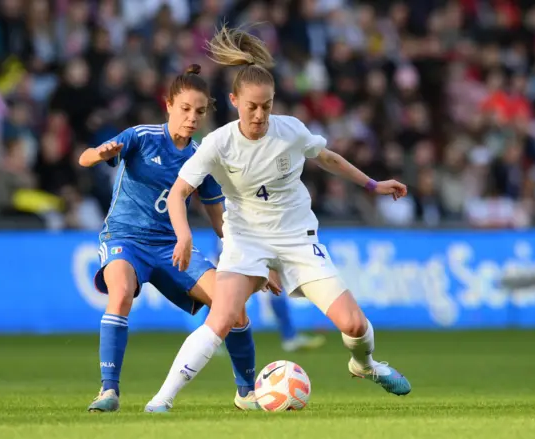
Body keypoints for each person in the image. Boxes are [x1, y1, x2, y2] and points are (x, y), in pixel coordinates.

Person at [145, 26, 412, 413]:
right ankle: (162, 400)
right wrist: (183, 235)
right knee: (221, 319)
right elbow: (179, 193)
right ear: (235, 100)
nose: (259, 115)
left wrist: (372, 184)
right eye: (252, 106)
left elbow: (329, 159)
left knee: (354, 325)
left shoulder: (290, 131)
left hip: (297, 239)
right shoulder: (219, 143)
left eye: (267, 106)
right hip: (246, 241)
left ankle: (365, 364)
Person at [78, 64, 278, 413]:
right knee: (122, 293)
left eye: (200, 111)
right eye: (185, 108)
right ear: (168, 104)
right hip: (125, 237)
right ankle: (108, 391)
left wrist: (254, 259)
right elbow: (84, 158)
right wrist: (102, 153)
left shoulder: (202, 158)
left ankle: (246, 393)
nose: (192, 117)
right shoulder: (140, 137)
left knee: (234, 307)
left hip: (172, 247)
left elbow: (221, 222)